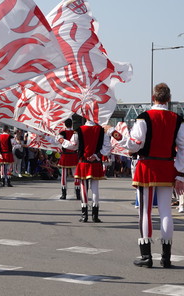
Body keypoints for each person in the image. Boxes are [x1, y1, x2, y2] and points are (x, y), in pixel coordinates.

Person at [104, 83, 184, 268]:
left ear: (152, 97)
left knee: (145, 211)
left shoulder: (144, 117)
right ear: (169, 99)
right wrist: (180, 175)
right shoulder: (177, 119)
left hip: (147, 166)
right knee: (166, 212)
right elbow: (183, 148)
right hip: (167, 167)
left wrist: (112, 132)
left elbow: (134, 145)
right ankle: (166, 257)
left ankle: (146, 256)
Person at [58, 120, 111, 223]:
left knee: (84, 188)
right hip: (95, 162)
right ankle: (95, 216)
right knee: (95, 189)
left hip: (83, 161)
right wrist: (96, 155)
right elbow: (107, 147)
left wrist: (61, 140)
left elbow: (72, 145)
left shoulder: (79, 130)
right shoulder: (101, 130)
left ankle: (84, 215)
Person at [57, 118, 80, 200]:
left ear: (65, 124)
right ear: (72, 124)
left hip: (65, 155)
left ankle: (64, 194)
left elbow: (59, 142)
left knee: (64, 175)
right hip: (74, 155)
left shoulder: (62, 133)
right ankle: (78, 193)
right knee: (76, 175)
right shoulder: (76, 133)